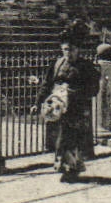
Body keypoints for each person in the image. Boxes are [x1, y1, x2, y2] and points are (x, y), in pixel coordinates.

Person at [35, 26, 102, 182]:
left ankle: (70, 169)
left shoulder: (85, 66)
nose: (68, 53)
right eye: (65, 49)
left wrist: (75, 93)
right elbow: (46, 84)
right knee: (59, 138)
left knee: (71, 139)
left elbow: (93, 88)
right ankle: (66, 167)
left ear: (78, 50)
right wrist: (38, 102)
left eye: (71, 50)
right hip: (57, 108)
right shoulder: (57, 64)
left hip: (76, 109)